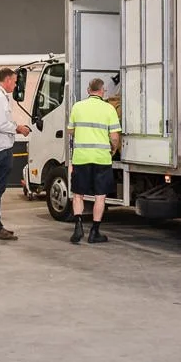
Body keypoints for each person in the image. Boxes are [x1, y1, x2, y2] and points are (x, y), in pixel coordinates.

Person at [68, 77, 121, 245]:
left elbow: (71, 131)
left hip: (81, 157)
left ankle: (78, 226)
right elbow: (114, 136)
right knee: (100, 196)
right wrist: (113, 149)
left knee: (78, 194)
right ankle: (95, 232)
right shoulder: (109, 109)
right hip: (101, 158)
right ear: (102, 91)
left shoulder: (77, 107)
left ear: (88, 90)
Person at [0, 68, 30, 240]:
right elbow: (1, 124)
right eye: (15, 81)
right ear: (8, 80)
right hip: (0, 149)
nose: (16, 84)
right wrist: (19, 128)